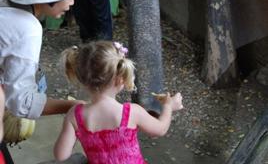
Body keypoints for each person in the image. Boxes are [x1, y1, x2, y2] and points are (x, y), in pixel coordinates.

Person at [0, 0, 95, 162]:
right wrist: (72, 106)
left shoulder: (5, 1)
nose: (72, 3)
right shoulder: (27, 27)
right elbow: (22, 103)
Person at [54, 40, 183, 163]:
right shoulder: (131, 112)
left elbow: (61, 155)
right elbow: (160, 129)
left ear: (81, 78)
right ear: (121, 79)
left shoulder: (74, 116)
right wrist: (168, 106)